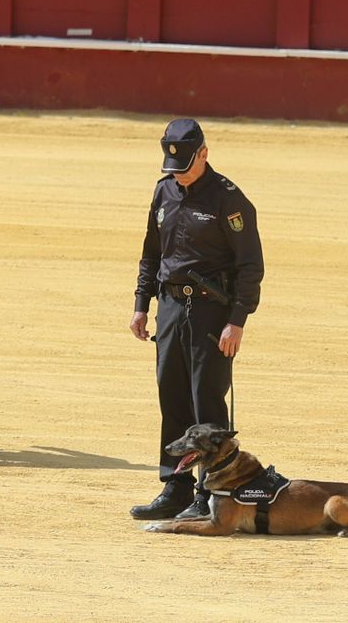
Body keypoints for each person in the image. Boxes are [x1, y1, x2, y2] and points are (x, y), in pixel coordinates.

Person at [128, 119, 263, 521]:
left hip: (211, 313)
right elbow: (152, 253)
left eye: (185, 167)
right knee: (171, 395)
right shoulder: (164, 190)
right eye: (174, 168)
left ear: (204, 153)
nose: (179, 175)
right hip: (171, 308)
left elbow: (250, 266)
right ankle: (176, 486)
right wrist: (141, 303)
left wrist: (237, 320)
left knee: (207, 400)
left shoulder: (229, 199)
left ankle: (212, 492)